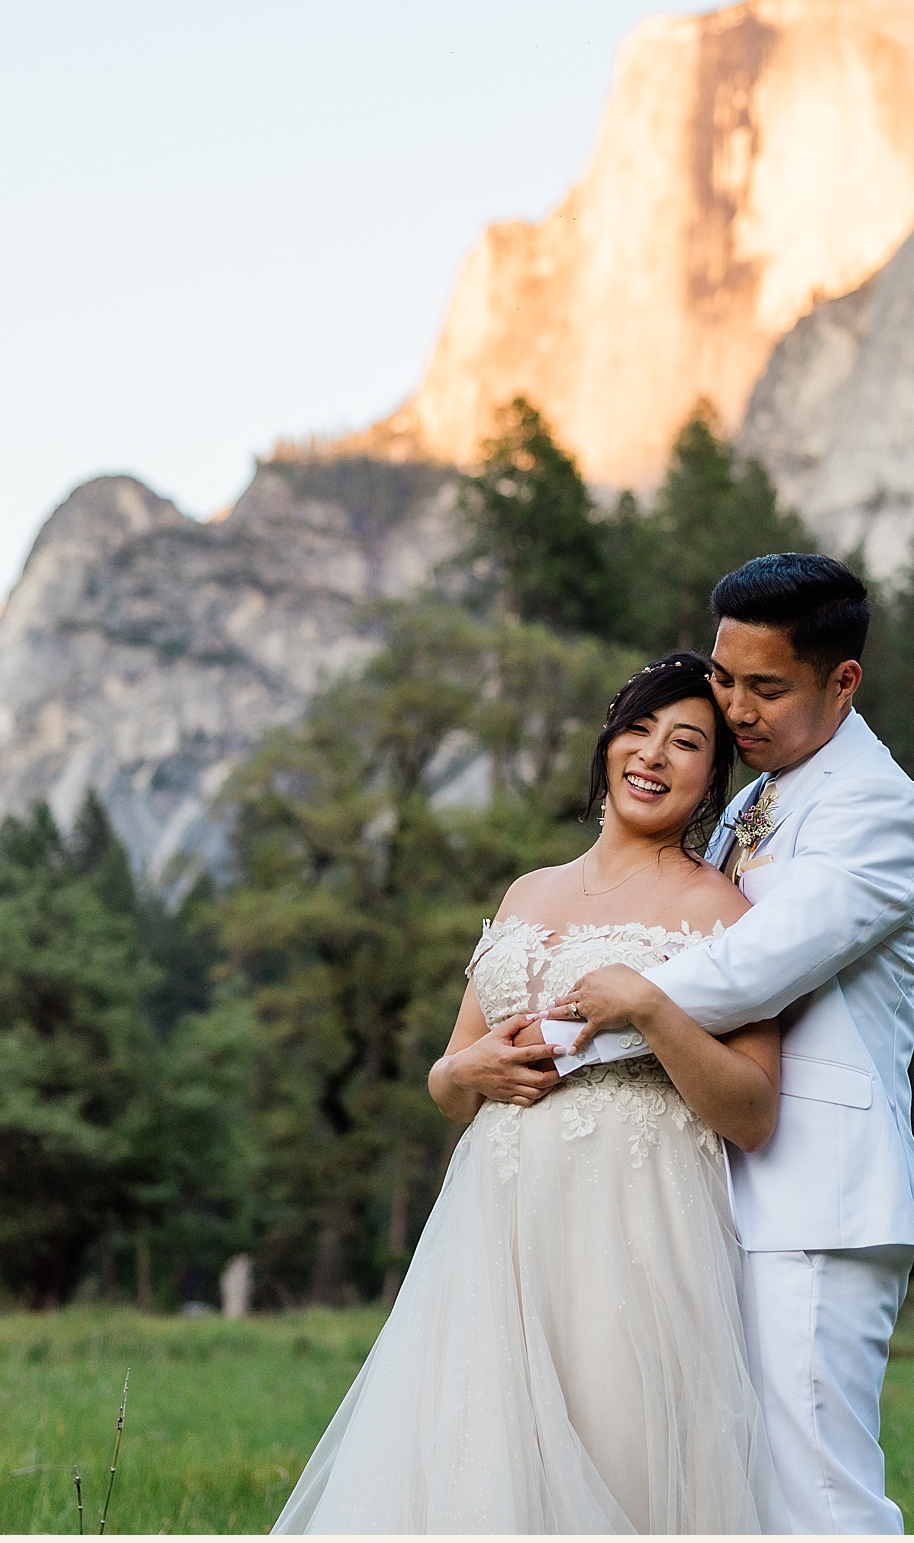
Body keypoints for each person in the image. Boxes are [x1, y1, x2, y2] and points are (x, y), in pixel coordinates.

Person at [272, 651, 792, 1533]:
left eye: (688, 742)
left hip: (631, 1233)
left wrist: (651, 1009)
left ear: (712, 778)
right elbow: (450, 1078)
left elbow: (752, 1112)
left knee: (618, 1453)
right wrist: (459, 1072)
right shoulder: (528, 891)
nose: (655, 755)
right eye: (640, 728)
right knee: (474, 1474)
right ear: (606, 743)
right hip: (493, 1228)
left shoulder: (720, 912)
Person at [554, 552, 914, 1535]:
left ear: (842, 679)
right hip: (719, 1191)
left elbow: (748, 969)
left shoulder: (874, 809)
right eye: (724, 678)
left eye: (766, 687)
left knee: (816, 1499)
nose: (735, 708)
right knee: (736, 1495)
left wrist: (563, 1037)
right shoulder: (751, 801)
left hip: (815, 1200)